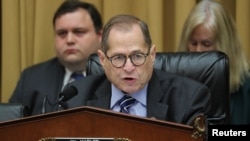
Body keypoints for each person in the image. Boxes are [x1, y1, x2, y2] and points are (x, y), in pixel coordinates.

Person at [68, 14, 212, 125]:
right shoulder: (76, 98)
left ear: (152, 55)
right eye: (118, 57)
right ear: (103, 60)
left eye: (137, 56)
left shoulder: (189, 98)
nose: (129, 67)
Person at [9, 0, 103, 115]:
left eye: (78, 31)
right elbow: (10, 126)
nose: (69, 40)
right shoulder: (31, 78)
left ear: (100, 36)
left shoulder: (116, 76)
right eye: (62, 33)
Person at [178, 0, 250, 124]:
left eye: (206, 44)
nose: (198, 51)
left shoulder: (246, 90)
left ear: (226, 46)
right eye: (193, 43)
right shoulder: (174, 88)